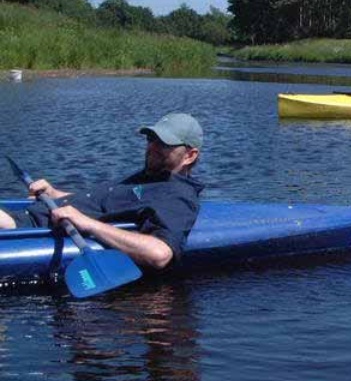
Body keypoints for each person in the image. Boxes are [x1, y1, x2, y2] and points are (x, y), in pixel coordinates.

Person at [0, 113, 205, 272]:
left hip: (25, 229)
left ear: (189, 155)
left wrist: (87, 223)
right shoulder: (149, 177)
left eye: (164, 143)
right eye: (151, 138)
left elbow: (159, 253)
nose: (152, 146)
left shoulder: (177, 195)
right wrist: (55, 193)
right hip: (29, 215)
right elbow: (104, 205)